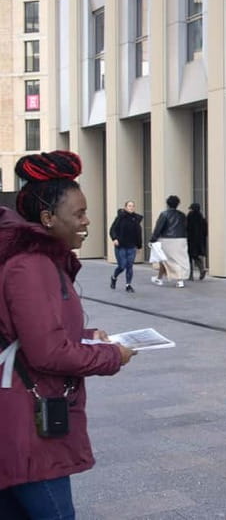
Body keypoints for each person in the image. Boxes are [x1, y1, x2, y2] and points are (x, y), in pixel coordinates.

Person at [0, 151, 136, 518]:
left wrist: (89, 334)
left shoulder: (31, 259)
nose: (87, 222)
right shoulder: (31, 265)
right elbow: (47, 352)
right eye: (78, 214)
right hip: (27, 428)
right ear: (47, 218)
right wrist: (112, 355)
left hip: (16, 420)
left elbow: (28, 329)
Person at [150, 195, 189, 288]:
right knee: (179, 260)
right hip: (181, 239)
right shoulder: (182, 215)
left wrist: (153, 238)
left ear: (167, 204)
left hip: (167, 239)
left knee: (166, 260)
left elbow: (159, 227)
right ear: (177, 204)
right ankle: (177, 280)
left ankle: (166, 278)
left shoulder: (164, 214)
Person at [108, 200, 143, 292]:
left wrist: (139, 246)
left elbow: (138, 233)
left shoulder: (136, 219)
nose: (131, 207)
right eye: (129, 206)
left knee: (129, 266)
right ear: (125, 207)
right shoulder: (120, 217)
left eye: (133, 206)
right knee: (122, 265)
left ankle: (128, 285)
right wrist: (114, 238)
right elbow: (112, 229)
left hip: (131, 246)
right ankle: (114, 277)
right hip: (121, 245)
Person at [187, 202, 208, 281]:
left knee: (189, 257)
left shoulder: (190, 216)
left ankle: (190, 275)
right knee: (196, 256)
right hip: (199, 241)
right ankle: (201, 269)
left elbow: (187, 227)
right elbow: (205, 231)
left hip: (190, 240)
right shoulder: (202, 218)